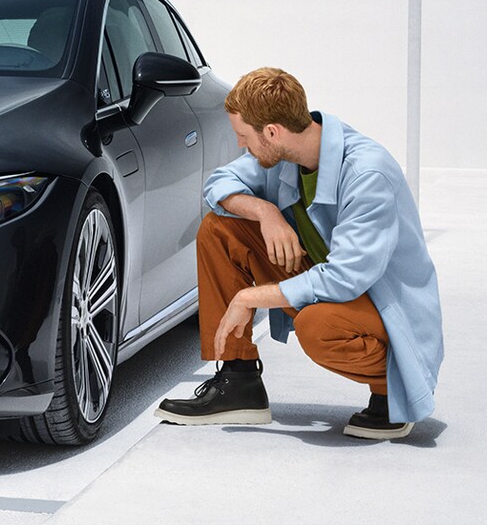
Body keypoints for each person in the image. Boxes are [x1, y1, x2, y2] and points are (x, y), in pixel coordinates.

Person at [156, 67, 443, 440]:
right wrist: (265, 212)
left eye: (244, 137)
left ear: (272, 132)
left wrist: (250, 296)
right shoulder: (286, 154)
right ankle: (239, 381)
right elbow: (219, 183)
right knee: (219, 228)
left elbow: (344, 279)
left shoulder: (368, 174)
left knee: (317, 326)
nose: (242, 146)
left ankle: (393, 390)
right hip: (327, 284)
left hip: (383, 308)